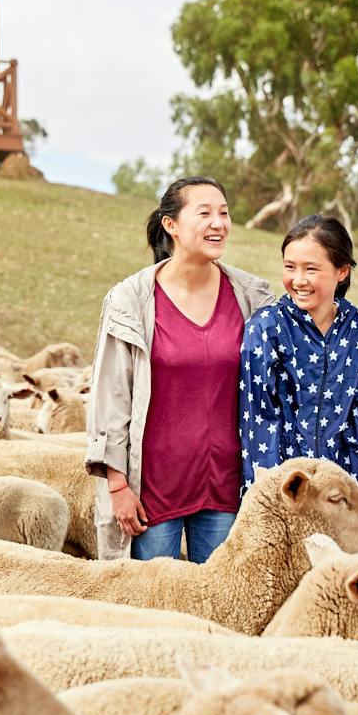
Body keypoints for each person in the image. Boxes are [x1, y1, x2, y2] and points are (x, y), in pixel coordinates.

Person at [85, 177, 276, 562]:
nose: (218, 223)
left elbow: (280, 378)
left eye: (223, 213)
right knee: (152, 610)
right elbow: (111, 396)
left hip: (225, 487)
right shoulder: (131, 301)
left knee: (221, 606)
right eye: (204, 213)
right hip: (151, 491)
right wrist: (118, 486)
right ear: (170, 225)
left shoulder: (252, 297)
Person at [239, 214, 358, 490]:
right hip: (283, 491)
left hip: (340, 493)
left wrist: (357, 490)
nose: (298, 280)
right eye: (290, 267)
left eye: (311, 269)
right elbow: (259, 422)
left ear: (342, 271)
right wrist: (276, 495)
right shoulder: (266, 328)